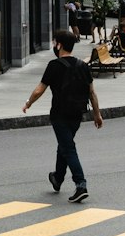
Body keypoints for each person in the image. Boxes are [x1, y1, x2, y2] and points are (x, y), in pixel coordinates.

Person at [22, 28, 103, 203]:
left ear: (59, 45)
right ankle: (58, 178)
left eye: (54, 42)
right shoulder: (83, 65)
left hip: (59, 115)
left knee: (68, 148)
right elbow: (92, 93)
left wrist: (28, 103)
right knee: (64, 146)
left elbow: (39, 90)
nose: (53, 45)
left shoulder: (54, 66)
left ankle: (81, 184)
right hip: (77, 114)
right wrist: (97, 114)